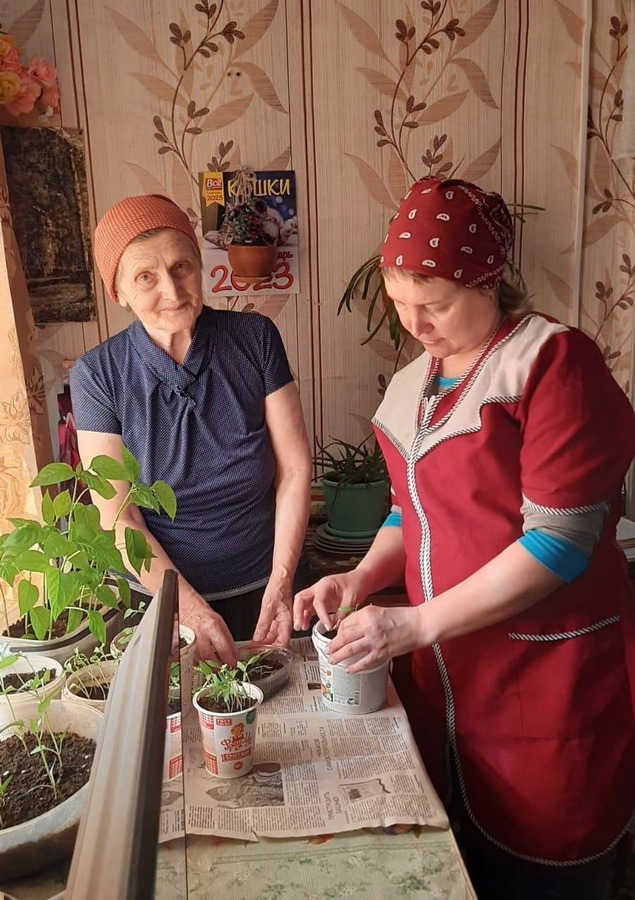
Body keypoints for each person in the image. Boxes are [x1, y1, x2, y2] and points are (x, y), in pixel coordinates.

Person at [294, 176, 635, 899]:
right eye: (399, 301)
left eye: (437, 302)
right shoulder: (411, 386)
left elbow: (559, 543)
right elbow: (410, 513)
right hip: (450, 686)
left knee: (546, 872)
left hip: (546, 679)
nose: (415, 323)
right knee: (460, 865)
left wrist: (413, 623)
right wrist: (358, 578)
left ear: (488, 281)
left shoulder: (549, 364)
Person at [70, 194, 311, 664]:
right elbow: (120, 516)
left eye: (181, 266)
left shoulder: (255, 339)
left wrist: (282, 581)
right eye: (146, 277)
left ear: (199, 264)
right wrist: (188, 608)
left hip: (268, 586)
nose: (173, 291)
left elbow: (295, 469)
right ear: (119, 292)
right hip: (163, 600)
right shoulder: (98, 375)